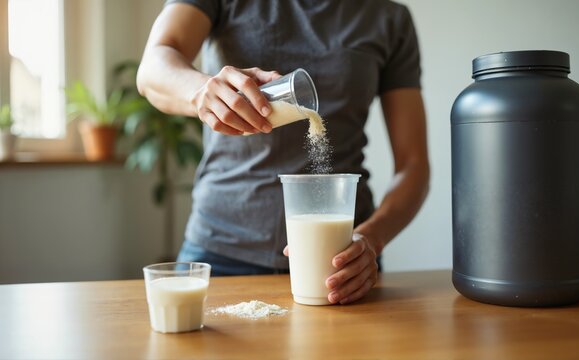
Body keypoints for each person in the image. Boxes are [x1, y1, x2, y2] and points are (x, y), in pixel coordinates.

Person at [137, 0, 430, 305]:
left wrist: (371, 237)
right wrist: (201, 91)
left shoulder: (387, 17)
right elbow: (153, 68)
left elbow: (413, 165)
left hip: (342, 263)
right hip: (220, 249)